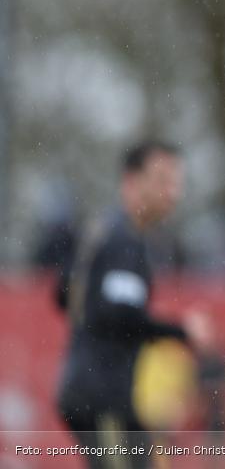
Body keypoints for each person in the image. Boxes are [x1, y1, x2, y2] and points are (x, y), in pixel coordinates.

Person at [56, 141, 191, 469]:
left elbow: (63, 292)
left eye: (176, 182)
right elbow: (120, 316)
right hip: (104, 397)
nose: (172, 192)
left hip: (91, 389)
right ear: (131, 182)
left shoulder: (102, 230)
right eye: (162, 180)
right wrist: (182, 331)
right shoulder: (124, 240)